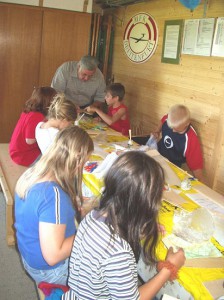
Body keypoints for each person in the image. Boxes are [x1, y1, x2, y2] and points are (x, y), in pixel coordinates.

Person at [62, 151, 186, 300]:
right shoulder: (118, 251)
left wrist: (139, 229)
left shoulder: (92, 217)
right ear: (144, 205)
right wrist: (168, 268)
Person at [14, 126, 94, 285]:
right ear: (77, 159)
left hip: (30, 256)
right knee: (104, 271)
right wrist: (89, 230)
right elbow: (53, 256)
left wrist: (72, 205)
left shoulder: (34, 172)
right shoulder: (53, 195)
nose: (82, 168)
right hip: (51, 271)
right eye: (84, 162)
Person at [153, 104, 204, 181]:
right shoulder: (171, 118)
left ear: (187, 123)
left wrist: (201, 186)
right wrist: (157, 131)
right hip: (158, 153)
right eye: (171, 127)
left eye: (176, 129)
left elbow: (196, 166)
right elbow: (164, 119)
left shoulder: (190, 139)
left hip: (172, 166)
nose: (173, 131)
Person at [9, 87, 56, 166]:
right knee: (54, 159)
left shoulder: (30, 111)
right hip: (23, 155)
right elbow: (29, 140)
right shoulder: (36, 116)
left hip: (16, 150)